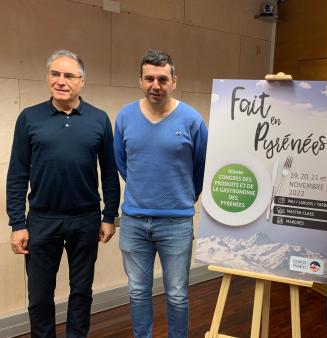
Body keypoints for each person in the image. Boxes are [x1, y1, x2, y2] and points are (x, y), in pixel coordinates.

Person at [7, 50, 120, 338]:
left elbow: (109, 172)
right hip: (42, 221)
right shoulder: (29, 118)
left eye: (69, 75)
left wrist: (109, 216)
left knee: (82, 291)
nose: (61, 81)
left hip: (86, 220)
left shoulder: (98, 119)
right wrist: (17, 223)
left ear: (82, 81)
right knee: (40, 295)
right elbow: (17, 174)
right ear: (48, 78)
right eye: (55, 74)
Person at [113, 49, 208, 338]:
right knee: (138, 292)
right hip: (133, 222)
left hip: (176, 224)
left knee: (177, 294)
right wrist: (145, 189)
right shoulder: (126, 116)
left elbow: (200, 167)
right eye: (149, 78)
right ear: (140, 80)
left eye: (162, 79)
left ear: (174, 81)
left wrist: (179, 198)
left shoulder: (192, 119)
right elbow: (122, 162)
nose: (156, 85)